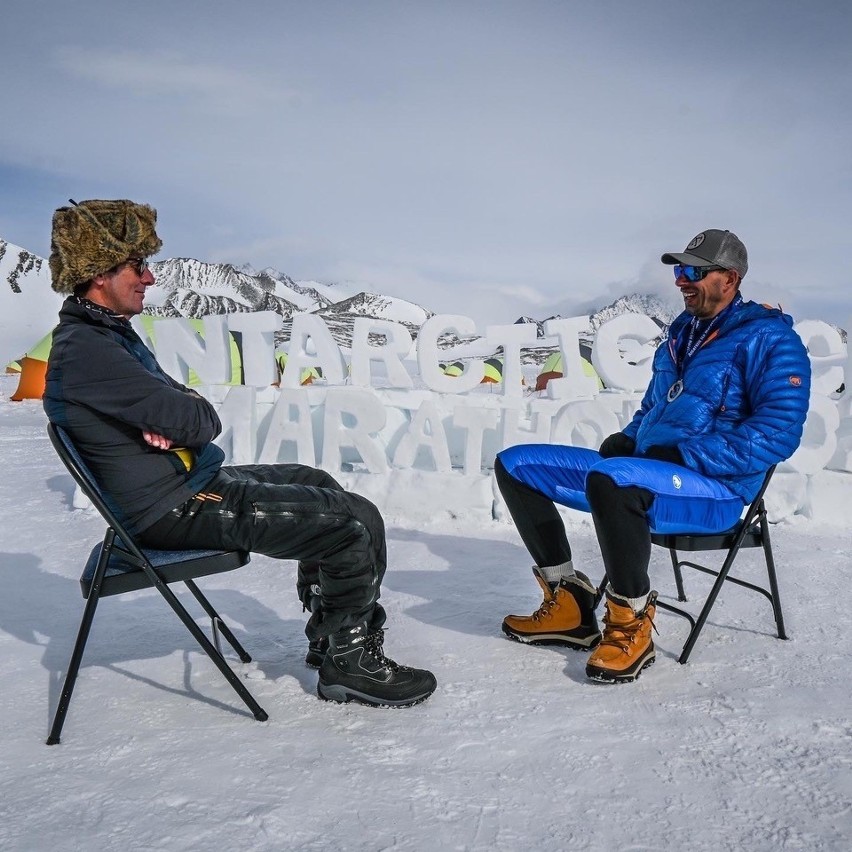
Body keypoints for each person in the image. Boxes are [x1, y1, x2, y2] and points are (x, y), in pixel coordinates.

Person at [42, 198, 436, 708]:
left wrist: (178, 419)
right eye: (137, 266)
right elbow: (200, 419)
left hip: (181, 485)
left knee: (316, 481)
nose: (149, 278)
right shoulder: (91, 351)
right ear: (98, 272)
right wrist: (181, 420)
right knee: (354, 522)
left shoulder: (104, 336)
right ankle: (351, 662)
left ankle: (330, 638)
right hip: (170, 508)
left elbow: (185, 414)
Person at [495, 229, 811, 683]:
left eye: (694, 272)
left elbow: (778, 432)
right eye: (679, 271)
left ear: (731, 279)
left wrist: (689, 454)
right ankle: (568, 602)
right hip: (649, 471)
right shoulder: (682, 335)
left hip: (717, 489)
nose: (682, 281)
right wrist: (629, 437)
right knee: (517, 464)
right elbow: (653, 410)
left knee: (615, 481)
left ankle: (630, 626)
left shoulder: (771, 340)